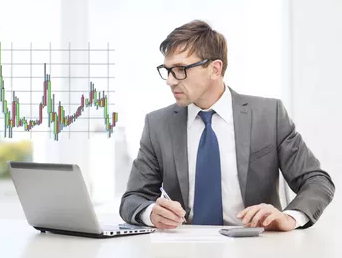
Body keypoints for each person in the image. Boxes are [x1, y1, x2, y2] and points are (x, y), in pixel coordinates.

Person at [119, 20, 335, 231]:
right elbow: (132, 199)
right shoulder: (158, 124)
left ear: (215, 69)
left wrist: (289, 217)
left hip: (256, 244)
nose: (171, 81)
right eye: (167, 70)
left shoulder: (268, 115)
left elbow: (317, 181)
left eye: (181, 69)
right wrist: (149, 213)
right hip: (184, 246)